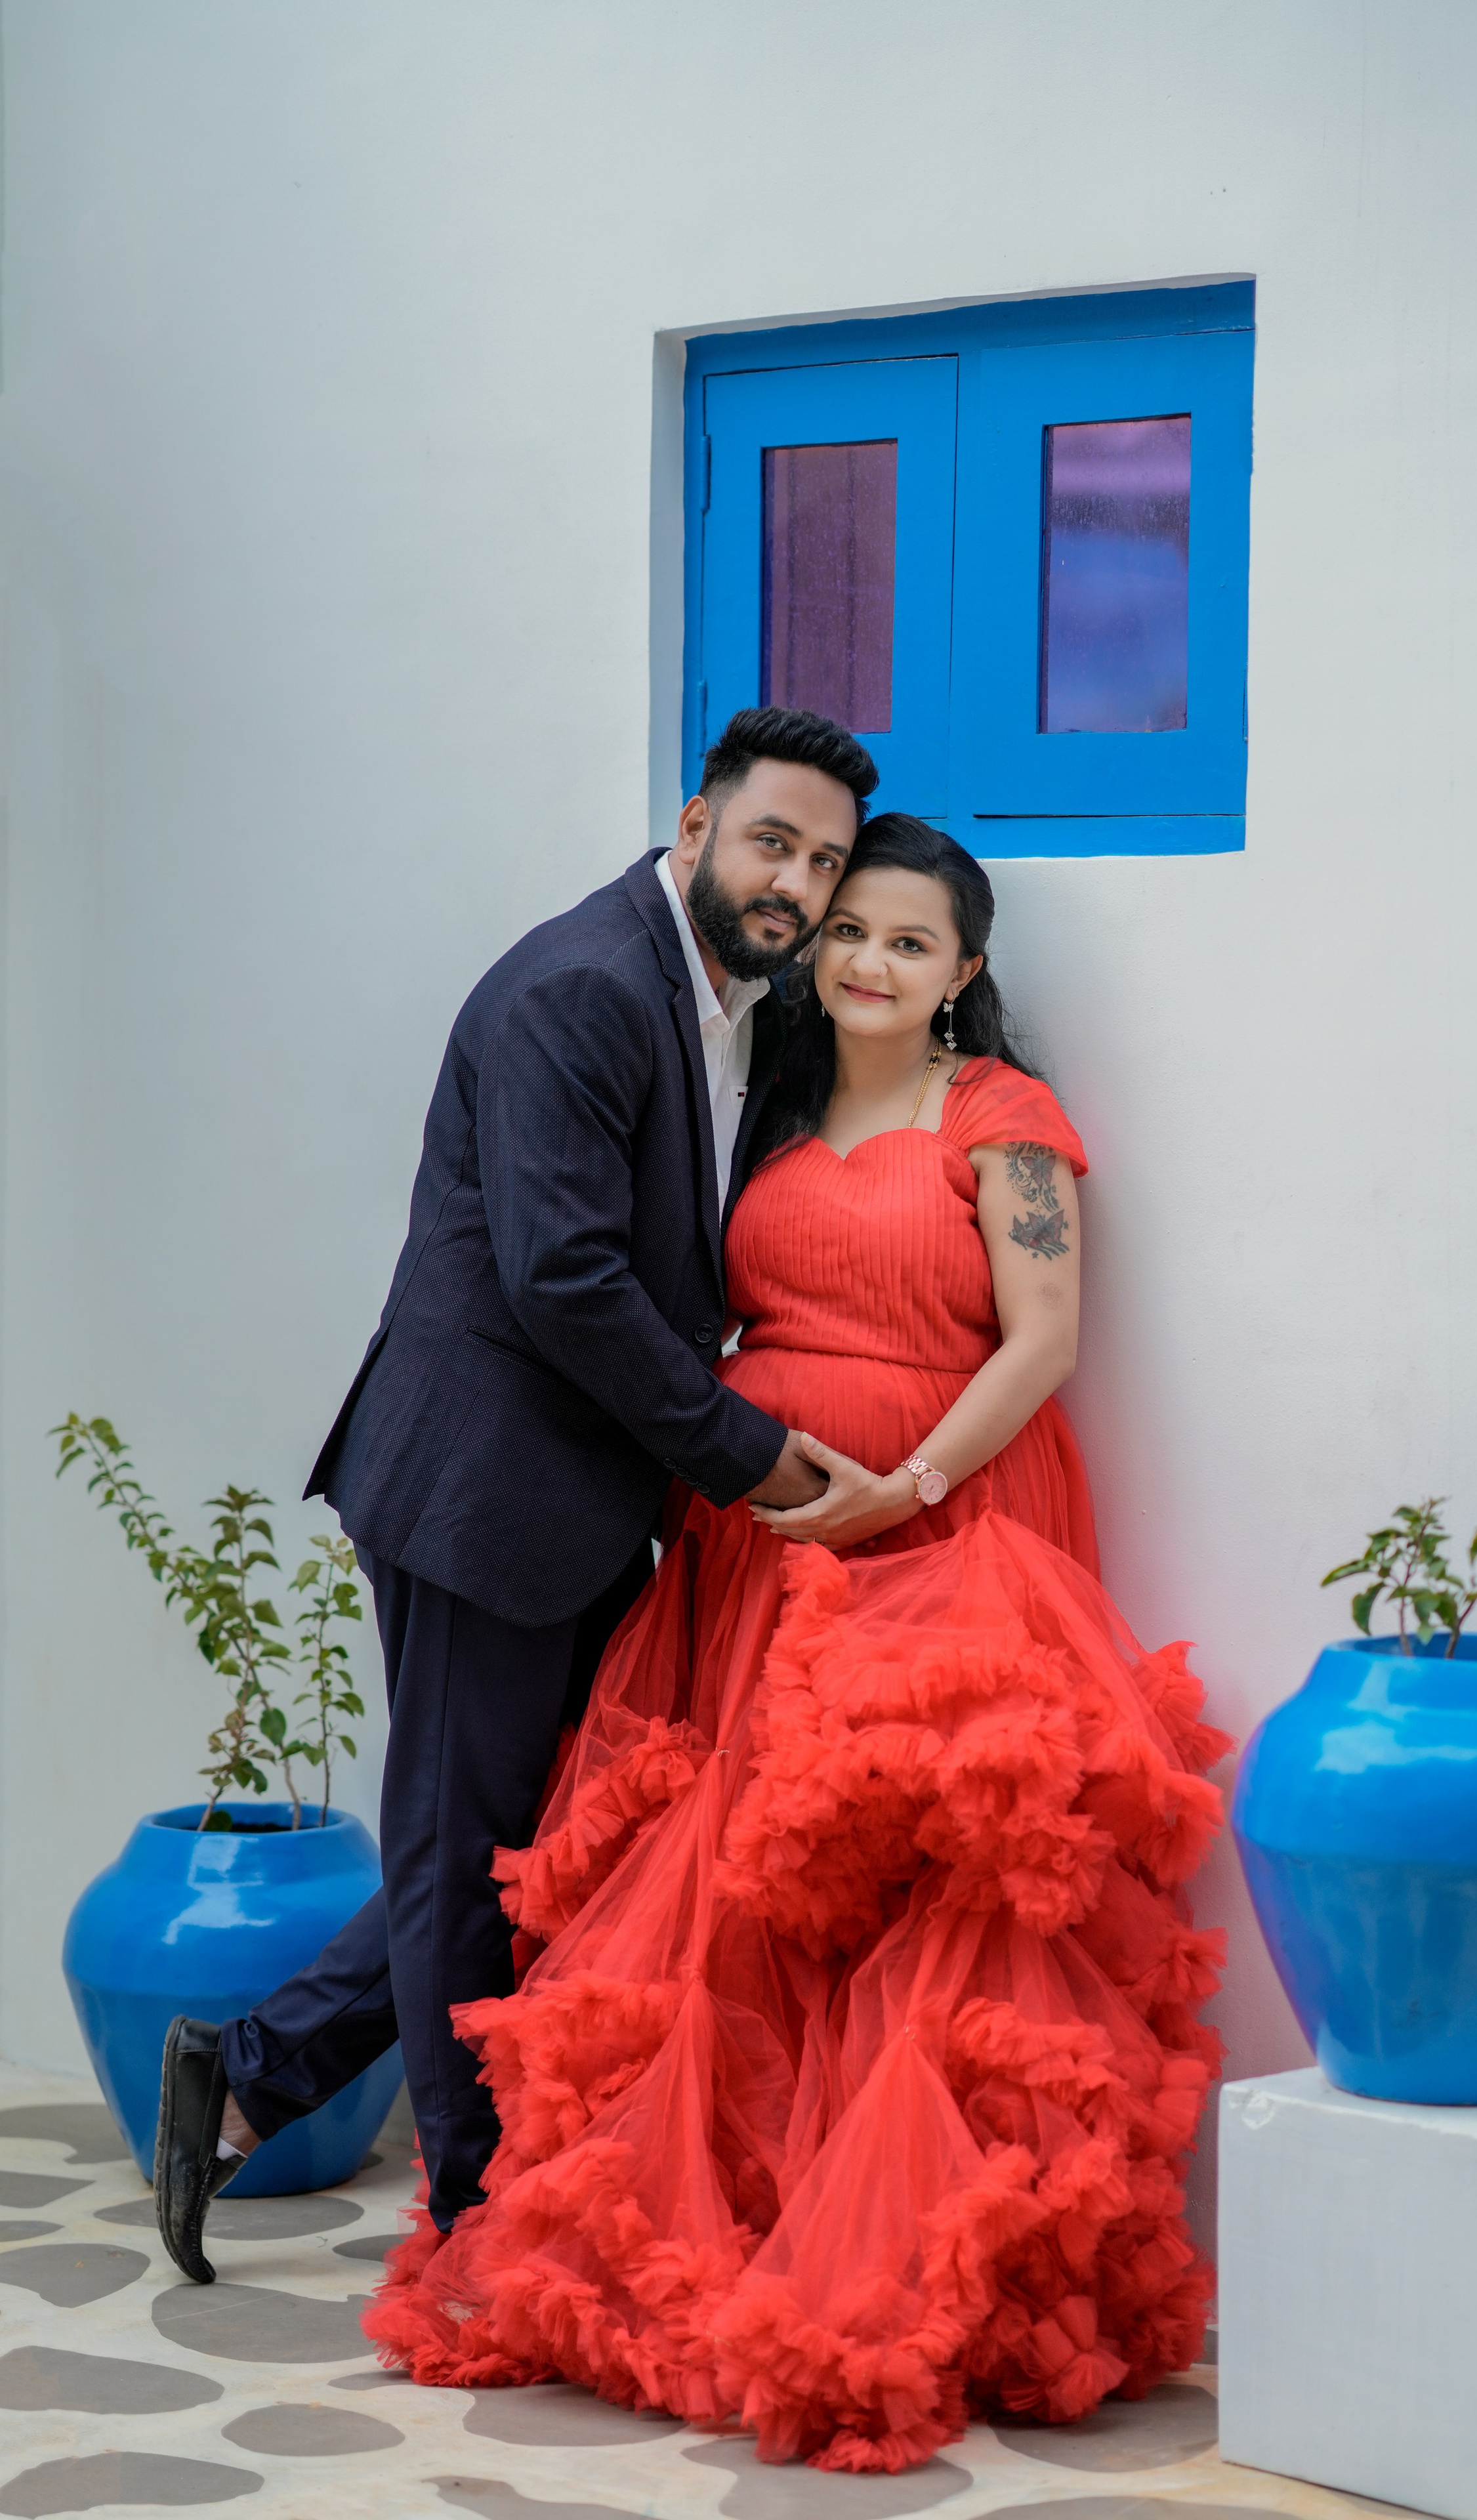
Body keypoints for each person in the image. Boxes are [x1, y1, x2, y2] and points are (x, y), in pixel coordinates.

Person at [364, 814, 1230, 2473]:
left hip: (945, 1537)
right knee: (735, 1874)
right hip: (754, 1547)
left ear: (963, 970)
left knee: (921, 1896)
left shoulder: (1000, 1117)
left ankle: (893, 2253)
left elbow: (1042, 1341)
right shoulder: (763, 1103)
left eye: (909, 941)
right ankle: (737, 2231)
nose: (868, 961)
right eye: (849, 930)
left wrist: (905, 1487)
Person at [152, 707, 879, 2286]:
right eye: (772, 842)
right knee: (467, 1851)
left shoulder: (734, 1007)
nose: (796, 884)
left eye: (824, 863)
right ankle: (478, 2224)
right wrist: (746, 1453)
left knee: (541, 1841)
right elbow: (565, 1278)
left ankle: (253, 2071)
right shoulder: (582, 986)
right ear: (695, 826)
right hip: (482, 1490)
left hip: (590, 1498)